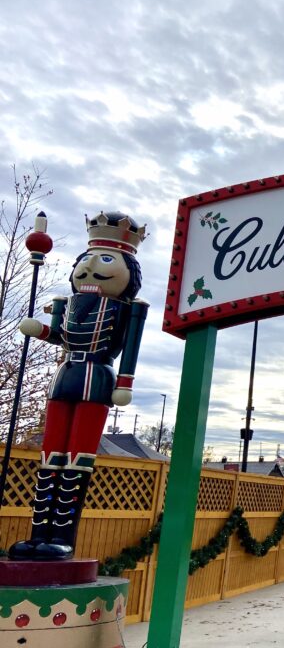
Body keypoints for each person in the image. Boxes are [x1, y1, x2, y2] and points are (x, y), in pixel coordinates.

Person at [9, 212, 148, 561]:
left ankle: (63, 535)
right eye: (86, 259)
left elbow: (128, 347)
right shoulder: (67, 304)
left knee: (77, 459)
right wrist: (38, 329)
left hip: (97, 379)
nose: (90, 268)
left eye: (104, 259)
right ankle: (38, 533)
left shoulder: (127, 310)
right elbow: (60, 336)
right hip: (65, 377)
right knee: (50, 456)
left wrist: (125, 382)